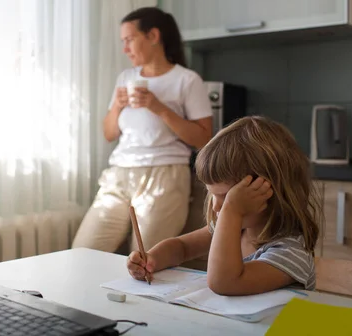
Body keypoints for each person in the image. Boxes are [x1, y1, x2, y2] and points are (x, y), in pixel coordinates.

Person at [126, 116, 322, 296]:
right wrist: (152, 259)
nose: (217, 207)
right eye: (212, 195)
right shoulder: (237, 231)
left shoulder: (290, 253)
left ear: (268, 192)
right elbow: (182, 248)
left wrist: (232, 211)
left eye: (227, 197)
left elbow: (225, 283)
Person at [72, 7, 213, 253]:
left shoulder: (187, 80)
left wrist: (158, 107)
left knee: (144, 259)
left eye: (129, 40)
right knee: (83, 251)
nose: (125, 48)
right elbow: (109, 134)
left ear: (153, 36)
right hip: (119, 174)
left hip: (164, 175)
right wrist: (117, 105)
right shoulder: (126, 77)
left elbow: (204, 139)